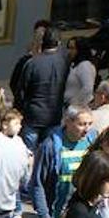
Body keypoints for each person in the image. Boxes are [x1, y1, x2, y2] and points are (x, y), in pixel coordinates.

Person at [16, 27, 70, 156]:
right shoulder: (64, 62)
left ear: (42, 42)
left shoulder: (32, 63)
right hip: (54, 115)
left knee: (29, 154)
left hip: (33, 115)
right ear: (58, 43)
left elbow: (21, 91)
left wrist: (20, 110)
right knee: (49, 154)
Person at [63, 39, 97, 109]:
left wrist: (74, 103)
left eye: (72, 48)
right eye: (68, 48)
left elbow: (88, 88)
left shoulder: (84, 65)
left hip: (79, 107)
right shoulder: (73, 65)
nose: (69, 51)